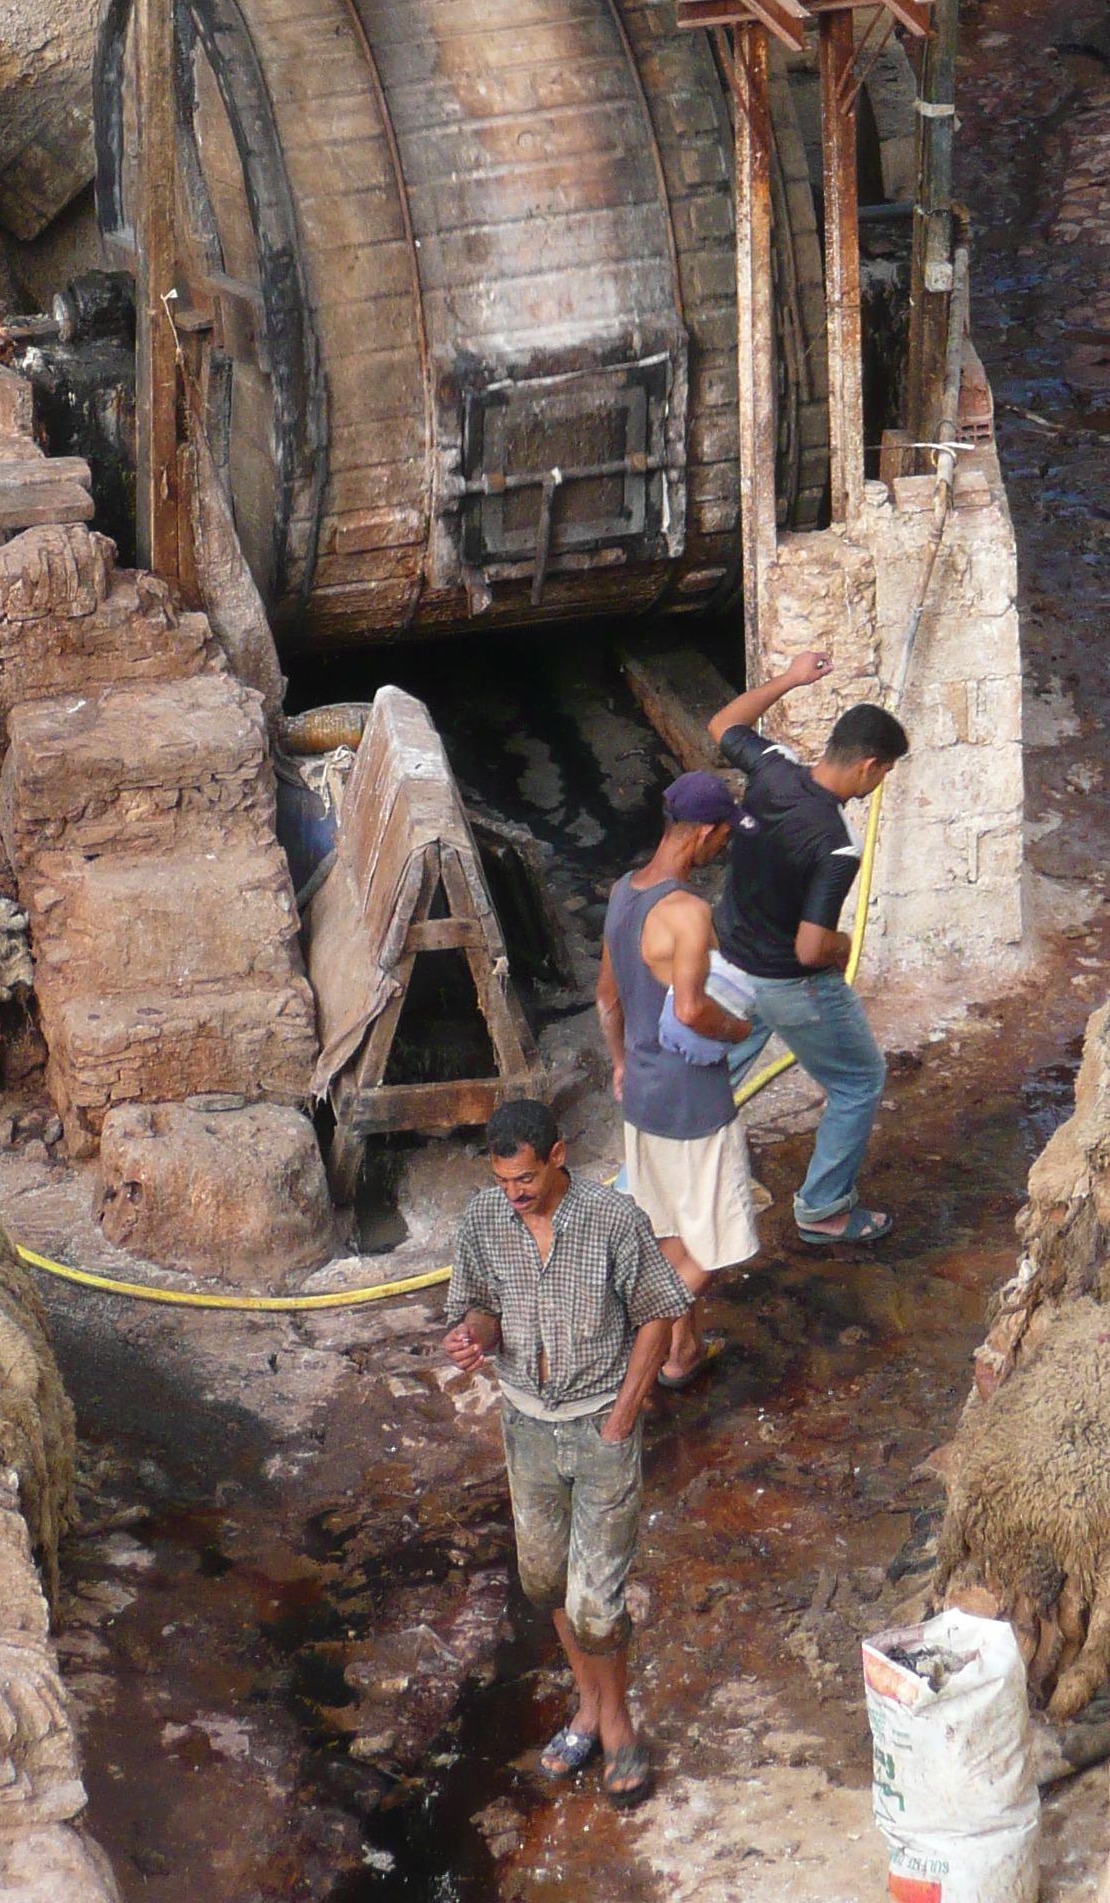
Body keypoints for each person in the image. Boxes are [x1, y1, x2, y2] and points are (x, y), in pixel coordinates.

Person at [442, 1095, 687, 1803]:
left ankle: (617, 1728)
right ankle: (587, 1705)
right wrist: (473, 1339)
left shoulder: (613, 1220)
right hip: (525, 1425)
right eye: (502, 1181)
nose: (514, 1194)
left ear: (557, 1154)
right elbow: (482, 1305)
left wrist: (623, 1416)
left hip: (599, 1426)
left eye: (525, 1179)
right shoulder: (487, 1220)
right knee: (546, 1584)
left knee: (596, 1607)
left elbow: (661, 1311)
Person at [706, 647, 909, 1249]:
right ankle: (822, 1208)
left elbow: (723, 724)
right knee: (859, 1081)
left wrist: (790, 679)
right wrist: (846, 945)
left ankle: (643, 1195)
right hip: (790, 986)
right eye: (885, 774)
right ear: (870, 766)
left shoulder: (772, 769)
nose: (879, 785)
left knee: (701, 1089)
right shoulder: (837, 845)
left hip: (728, 967)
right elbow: (811, 945)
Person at [595, 771, 758, 1390]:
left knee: (669, 1232)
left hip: (641, 1096)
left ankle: (681, 1354)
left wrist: (618, 1062)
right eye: (723, 837)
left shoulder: (621, 893)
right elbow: (691, 1011)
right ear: (707, 833)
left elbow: (606, 999)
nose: (723, 848)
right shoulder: (688, 913)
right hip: (693, 1103)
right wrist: (739, 1031)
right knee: (713, 1246)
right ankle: (634, 1340)